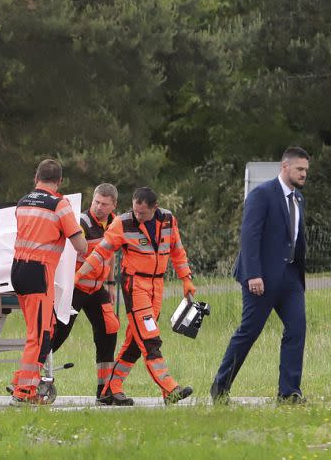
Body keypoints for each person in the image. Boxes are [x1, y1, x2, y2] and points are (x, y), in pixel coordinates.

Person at [77, 187, 195, 406]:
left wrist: (186, 278)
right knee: (150, 338)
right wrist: (79, 274)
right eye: (135, 211)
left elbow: (177, 250)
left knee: (134, 342)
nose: (137, 216)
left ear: (154, 209)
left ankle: (110, 387)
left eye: (142, 213)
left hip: (157, 285)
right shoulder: (122, 223)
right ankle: (170, 388)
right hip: (135, 286)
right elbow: (101, 252)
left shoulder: (168, 220)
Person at [211, 147, 310, 404]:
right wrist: (254, 274)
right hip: (261, 279)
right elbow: (250, 235)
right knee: (249, 332)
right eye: (300, 169)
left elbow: (296, 239)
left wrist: (299, 275)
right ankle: (220, 388)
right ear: (285, 167)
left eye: (306, 170)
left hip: (290, 279)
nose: (304, 174)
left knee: (297, 329)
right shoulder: (262, 194)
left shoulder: (298, 198)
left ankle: (288, 393)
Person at [10, 159, 87, 405]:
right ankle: (24, 392)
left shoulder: (23, 202)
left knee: (45, 326)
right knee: (40, 334)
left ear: (36, 178)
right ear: (60, 181)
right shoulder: (59, 205)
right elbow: (80, 245)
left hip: (18, 270)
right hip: (39, 273)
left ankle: (22, 378)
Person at [49, 183, 120, 402]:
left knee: (109, 330)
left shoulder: (115, 224)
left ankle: (105, 389)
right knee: (58, 332)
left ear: (113, 205)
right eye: (96, 201)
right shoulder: (81, 222)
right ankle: (26, 380)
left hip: (97, 288)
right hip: (74, 287)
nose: (98, 207)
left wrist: (110, 284)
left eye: (104, 204)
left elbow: (109, 255)